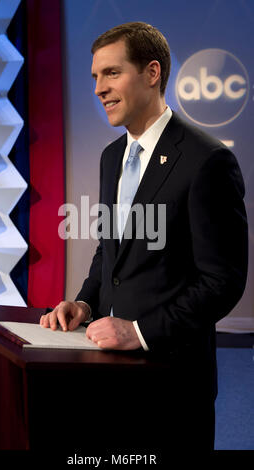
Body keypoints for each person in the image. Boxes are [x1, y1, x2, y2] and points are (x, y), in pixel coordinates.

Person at [40, 22, 248, 459]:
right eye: (95, 77)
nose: (99, 88)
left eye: (111, 73)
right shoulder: (111, 156)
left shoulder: (208, 160)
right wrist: (84, 304)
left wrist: (139, 331)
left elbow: (223, 280)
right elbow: (109, 251)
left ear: (152, 73)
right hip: (111, 378)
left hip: (173, 385)